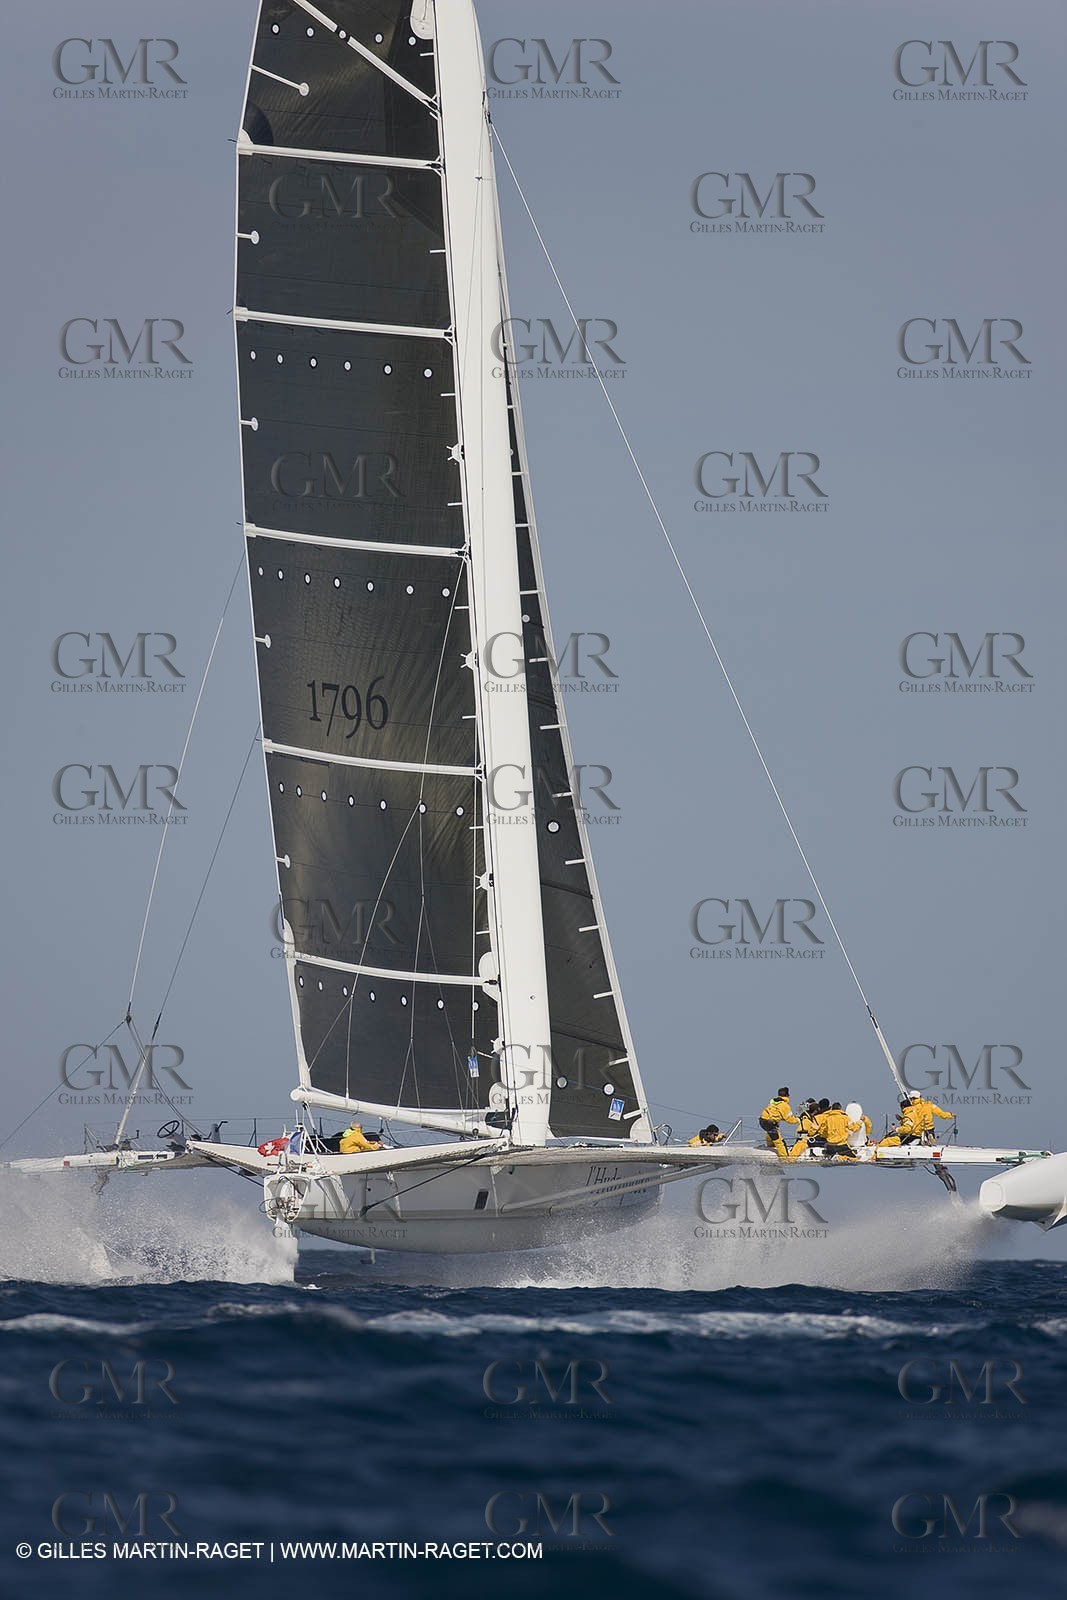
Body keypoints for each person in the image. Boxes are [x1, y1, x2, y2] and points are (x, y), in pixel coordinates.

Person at [759, 1087, 798, 1158]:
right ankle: (785, 1158)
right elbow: (790, 1120)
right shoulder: (784, 1105)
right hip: (769, 1123)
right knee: (780, 1142)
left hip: (762, 1120)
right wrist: (798, 1120)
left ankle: (770, 1146)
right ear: (787, 1095)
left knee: (770, 1133)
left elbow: (777, 1114)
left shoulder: (773, 1102)